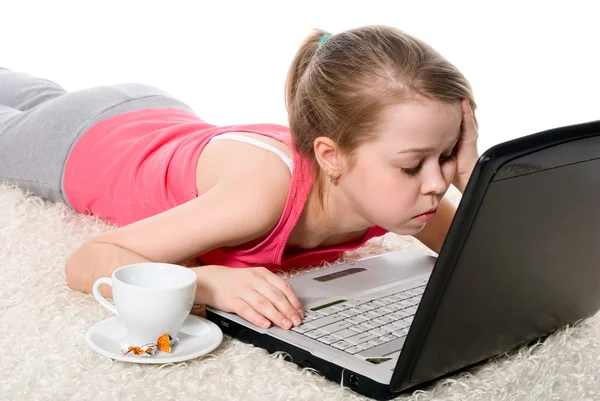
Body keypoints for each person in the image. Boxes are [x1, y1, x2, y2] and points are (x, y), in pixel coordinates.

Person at [0, 25, 479, 331]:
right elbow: (87, 261)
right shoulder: (261, 197)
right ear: (331, 157)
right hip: (85, 143)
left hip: (152, 112)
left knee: (39, 95)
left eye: (446, 155)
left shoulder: (403, 190)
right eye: (414, 164)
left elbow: (495, 258)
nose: (436, 182)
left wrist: (470, 173)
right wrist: (204, 283)